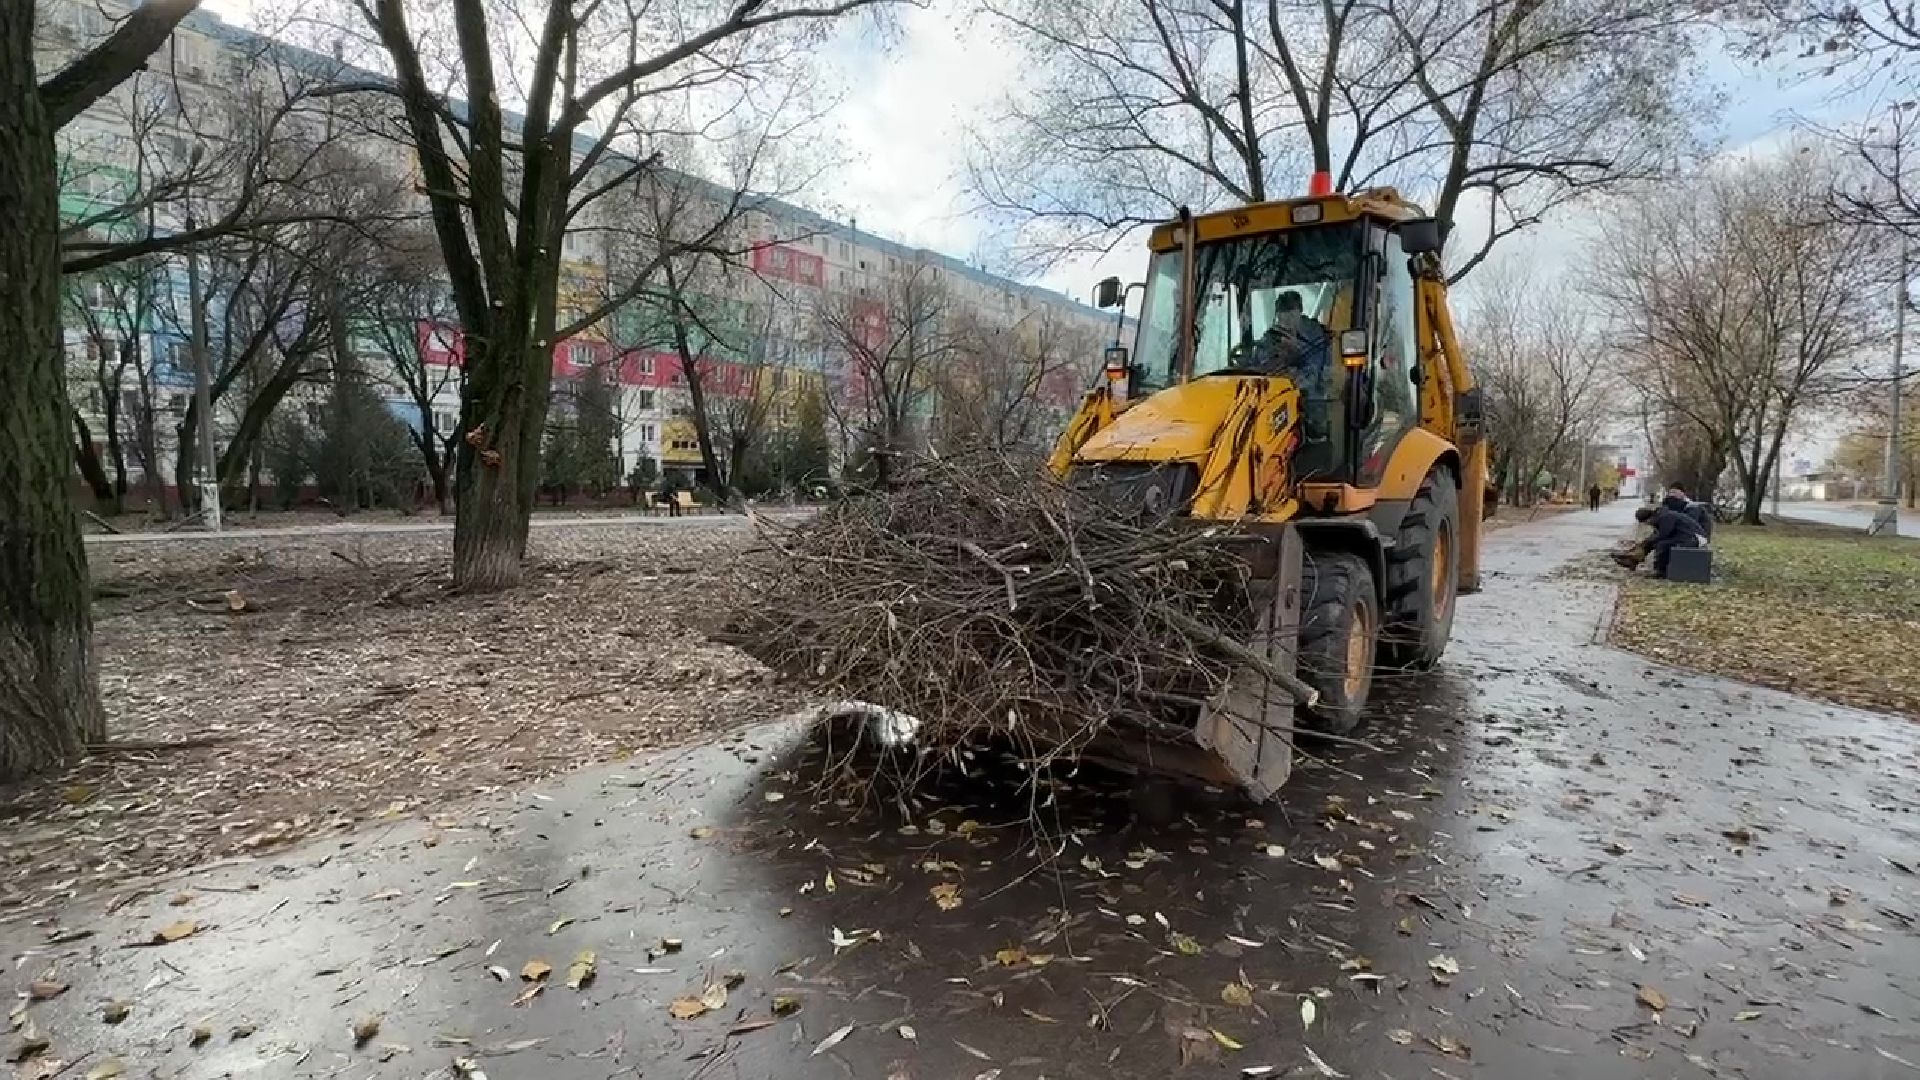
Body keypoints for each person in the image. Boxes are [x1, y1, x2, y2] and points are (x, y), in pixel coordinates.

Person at [1627, 503, 1705, 579]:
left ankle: (1661, 571)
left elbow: (1663, 534)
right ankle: (1634, 559)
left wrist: (1646, 542)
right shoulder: (1661, 516)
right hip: (1686, 535)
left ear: (1649, 519)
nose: (1648, 524)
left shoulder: (1666, 517)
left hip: (1695, 537)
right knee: (1653, 542)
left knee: (1662, 545)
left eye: (1646, 522)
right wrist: (1643, 543)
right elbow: (1657, 535)